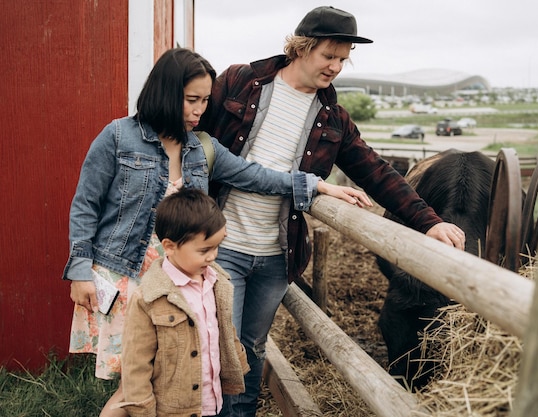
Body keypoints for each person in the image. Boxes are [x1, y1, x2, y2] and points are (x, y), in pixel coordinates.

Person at [63, 47, 370, 417]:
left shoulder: (201, 148)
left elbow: (255, 175)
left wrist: (317, 186)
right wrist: (80, 270)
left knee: (163, 375)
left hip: (178, 282)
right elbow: (86, 204)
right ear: (165, 93)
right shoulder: (117, 137)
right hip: (124, 278)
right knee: (134, 380)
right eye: (191, 100)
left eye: (205, 101)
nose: (199, 110)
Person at [196, 6, 467, 416]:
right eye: (329, 56)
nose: (336, 67)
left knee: (251, 348)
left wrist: (429, 222)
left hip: (275, 254)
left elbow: (378, 174)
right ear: (302, 48)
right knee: (223, 347)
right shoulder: (240, 82)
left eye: (343, 59)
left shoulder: (333, 118)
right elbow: (194, 135)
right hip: (221, 244)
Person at [116, 188, 248, 417]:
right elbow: (135, 364)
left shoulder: (217, 281)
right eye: (204, 250)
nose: (213, 256)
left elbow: (226, 330)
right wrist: (143, 409)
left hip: (214, 401)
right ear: (169, 246)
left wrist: (238, 362)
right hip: (175, 409)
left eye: (217, 247)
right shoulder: (150, 298)